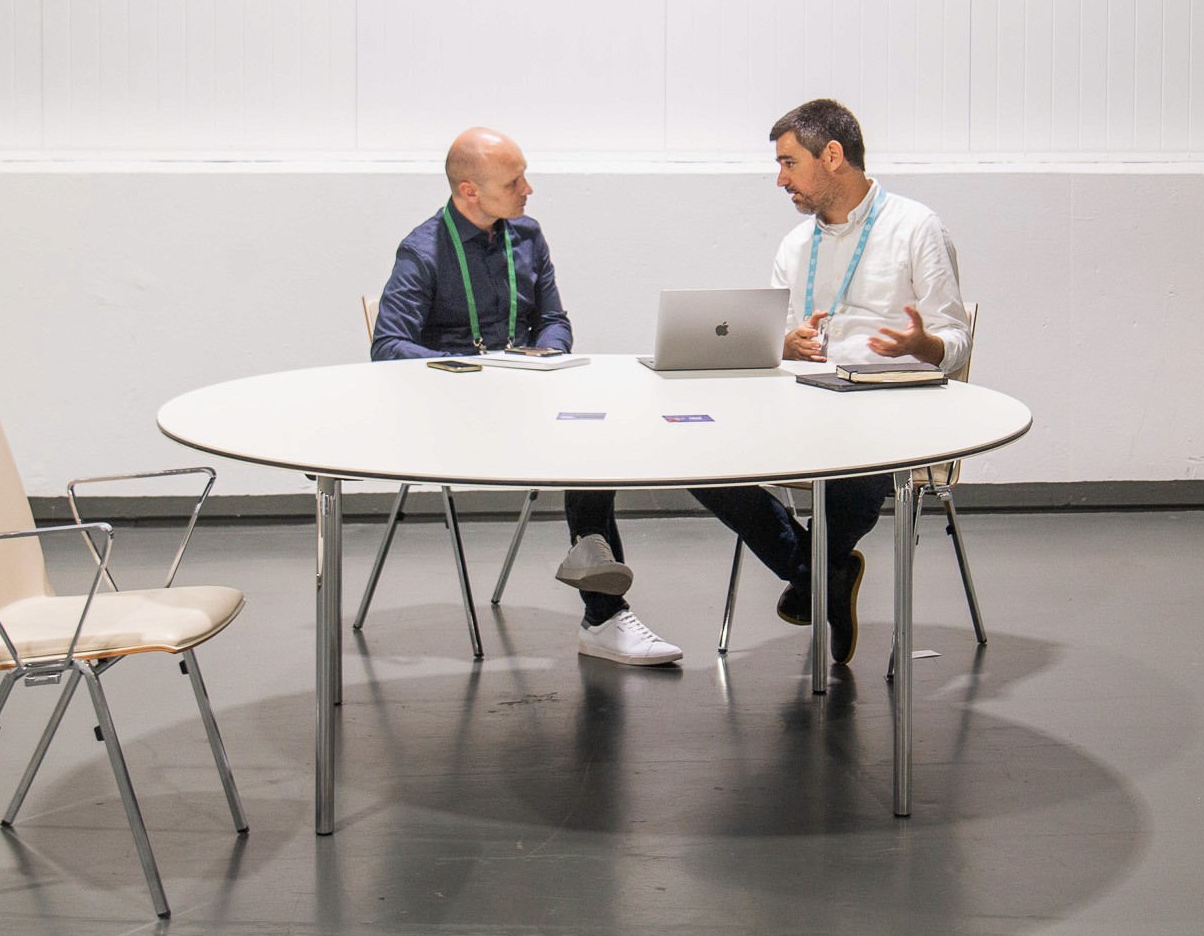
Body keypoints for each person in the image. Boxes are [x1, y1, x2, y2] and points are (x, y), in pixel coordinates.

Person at [371, 128, 683, 667]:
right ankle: (604, 610)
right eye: (514, 181)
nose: (528, 189)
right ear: (469, 191)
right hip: (458, 412)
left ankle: (602, 610)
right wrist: (477, 369)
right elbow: (387, 345)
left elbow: (555, 320)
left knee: (599, 436)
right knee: (584, 448)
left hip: (532, 401)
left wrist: (546, 355)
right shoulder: (422, 251)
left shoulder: (527, 235)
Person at [686, 98, 972, 664]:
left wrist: (922, 346)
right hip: (806, 405)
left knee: (857, 456)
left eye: (789, 163)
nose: (780, 179)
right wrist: (784, 344)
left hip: (886, 409)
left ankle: (813, 576)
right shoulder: (796, 246)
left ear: (833, 156)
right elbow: (780, 339)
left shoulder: (916, 227)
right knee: (698, 458)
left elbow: (955, 340)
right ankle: (824, 575)